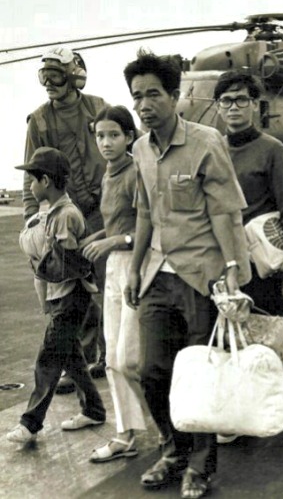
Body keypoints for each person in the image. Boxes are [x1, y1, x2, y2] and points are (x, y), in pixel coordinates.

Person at [123, 50, 251, 499]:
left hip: (203, 275)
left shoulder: (206, 141)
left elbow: (226, 213)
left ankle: (199, 466)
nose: (143, 104)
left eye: (153, 94)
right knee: (151, 369)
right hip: (158, 274)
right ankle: (172, 449)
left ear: (175, 96)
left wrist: (233, 270)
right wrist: (135, 270)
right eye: (137, 96)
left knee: (201, 375)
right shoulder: (138, 149)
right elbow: (143, 214)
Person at [23, 46, 109, 392]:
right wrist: (33, 220)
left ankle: (111, 355)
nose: (48, 83)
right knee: (74, 290)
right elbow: (32, 173)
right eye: (44, 76)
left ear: (74, 75)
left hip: (104, 209)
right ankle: (82, 363)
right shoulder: (39, 120)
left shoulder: (99, 108)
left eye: (55, 75)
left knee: (109, 286)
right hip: (68, 215)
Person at [7, 147, 106, 444]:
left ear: (47, 181)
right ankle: (94, 410)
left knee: (48, 357)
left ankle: (30, 423)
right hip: (63, 295)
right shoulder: (50, 213)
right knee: (71, 357)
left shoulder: (64, 215)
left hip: (72, 296)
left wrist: (39, 257)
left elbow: (62, 263)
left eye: (32, 180)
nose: (30, 186)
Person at [77, 105, 148, 463]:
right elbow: (118, 221)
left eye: (113, 135)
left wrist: (112, 241)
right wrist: (101, 237)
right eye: (100, 135)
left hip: (138, 265)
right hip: (113, 269)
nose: (105, 142)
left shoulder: (137, 173)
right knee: (112, 360)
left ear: (129, 137)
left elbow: (148, 229)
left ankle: (169, 422)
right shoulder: (109, 174)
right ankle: (125, 435)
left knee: (128, 357)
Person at [213, 70, 283, 315]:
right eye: (226, 100)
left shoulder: (273, 149)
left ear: (253, 104)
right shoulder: (213, 149)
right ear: (218, 106)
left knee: (265, 333)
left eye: (241, 99)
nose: (234, 107)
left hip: (260, 259)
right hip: (221, 255)